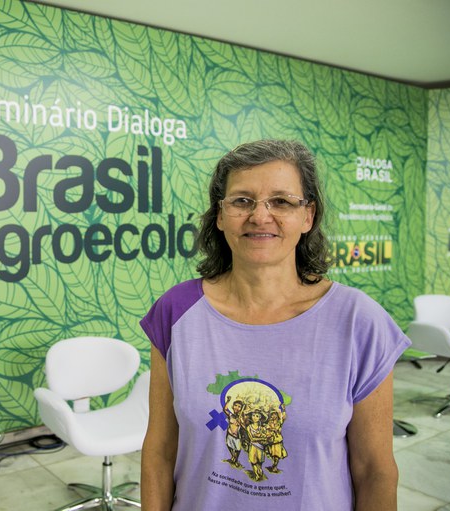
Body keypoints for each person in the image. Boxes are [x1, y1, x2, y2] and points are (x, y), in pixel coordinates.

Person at [139, 139, 409, 510]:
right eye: (242, 200)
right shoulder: (176, 311)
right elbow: (160, 451)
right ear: (220, 216)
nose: (260, 216)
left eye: (281, 201)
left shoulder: (359, 323)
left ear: (308, 216)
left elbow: (374, 470)